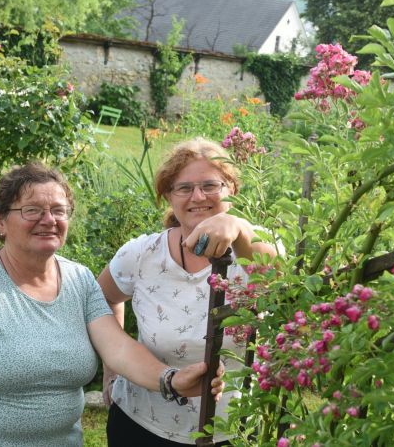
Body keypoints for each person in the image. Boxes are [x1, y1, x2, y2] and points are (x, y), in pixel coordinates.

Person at [0, 162, 224, 447]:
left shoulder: (79, 280)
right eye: (32, 210)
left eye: (58, 210)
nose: (48, 220)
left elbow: (119, 349)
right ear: (0, 221)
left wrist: (170, 379)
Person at [99, 138, 278, 446]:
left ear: (231, 188)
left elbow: (281, 276)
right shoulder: (143, 254)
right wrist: (112, 366)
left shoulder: (256, 248)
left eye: (211, 185)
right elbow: (101, 301)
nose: (198, 197)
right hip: (141, 423)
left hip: (227, 429)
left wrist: (236, 226)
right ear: (168, 195)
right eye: (183, 188)